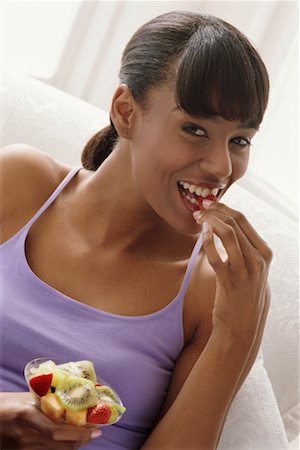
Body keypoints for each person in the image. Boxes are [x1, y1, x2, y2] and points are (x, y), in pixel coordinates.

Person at [0, 10, 273, 450]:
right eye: (195, 129)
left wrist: (236, 334)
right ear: (126, 112)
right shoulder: (20, 183)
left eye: (239, 140)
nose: (222, 167)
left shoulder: (211, 286)